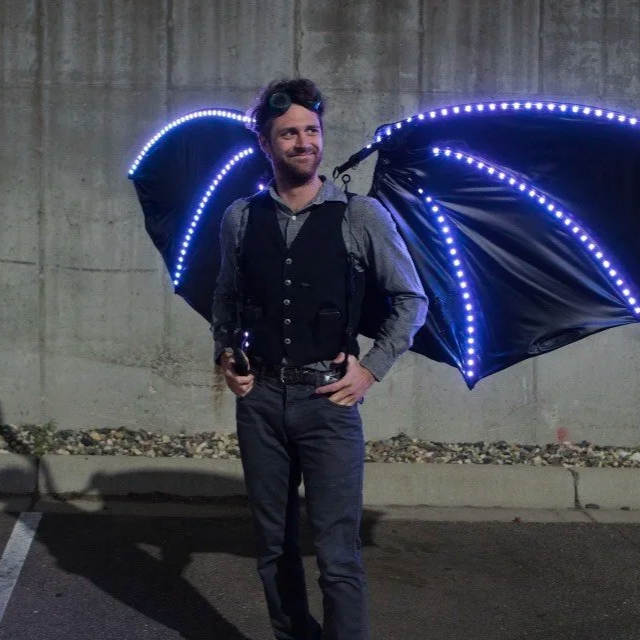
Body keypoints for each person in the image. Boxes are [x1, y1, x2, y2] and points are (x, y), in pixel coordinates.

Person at [211, 78, 428, 640]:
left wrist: (372, 368)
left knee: (338, 557)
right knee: (273, 548)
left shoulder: (360, 217)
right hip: (260, 403)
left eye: (311, 130)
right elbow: (228, 298)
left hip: (327, 404)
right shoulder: (240, 217)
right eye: (289, 133)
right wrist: (227, 356)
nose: (303, 142)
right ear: (266, 143)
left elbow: (411, 299)